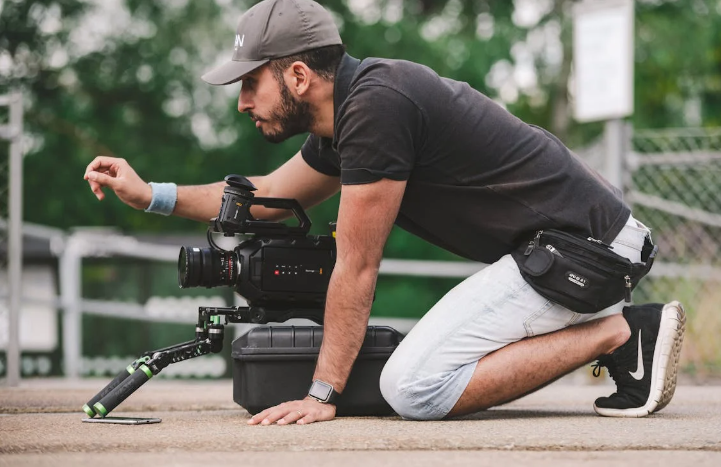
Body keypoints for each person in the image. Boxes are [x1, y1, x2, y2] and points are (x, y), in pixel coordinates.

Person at [84, 0, 686, 425]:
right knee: (418, 375)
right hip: (565, 252)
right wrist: (151, 194)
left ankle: (623, 329)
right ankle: (621, 337)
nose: (242, 102)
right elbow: (268, 198)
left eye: (250, 85)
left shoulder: (376, 109)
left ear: (297, 75)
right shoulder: (351, 115)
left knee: (414, 388)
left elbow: (359, 264)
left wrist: (324, 393)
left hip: (584, 253)